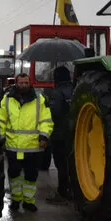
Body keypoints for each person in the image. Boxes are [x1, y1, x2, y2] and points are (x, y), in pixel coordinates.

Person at [0, 73, 54, 212]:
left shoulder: (40, 100)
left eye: (25, 83)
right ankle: (16, 200)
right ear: (16, 83)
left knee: (31, 176)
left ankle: (28, 201)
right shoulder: (7, 100)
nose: (23, 85)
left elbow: (46, 120)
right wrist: (1, 137)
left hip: (33, 147)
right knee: (14, 174)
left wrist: (44, 137)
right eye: (20, 83)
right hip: (13, 146)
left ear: (30, 83)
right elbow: (0, 120)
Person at [45, 66, 74, 205]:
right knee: (71, 162)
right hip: (74, 133)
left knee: (61, 164)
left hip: (59, 134)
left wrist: (46, 105)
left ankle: (62, 192)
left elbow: (53, 112)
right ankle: (73, 190)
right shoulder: (76, 89)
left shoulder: (57, 93)